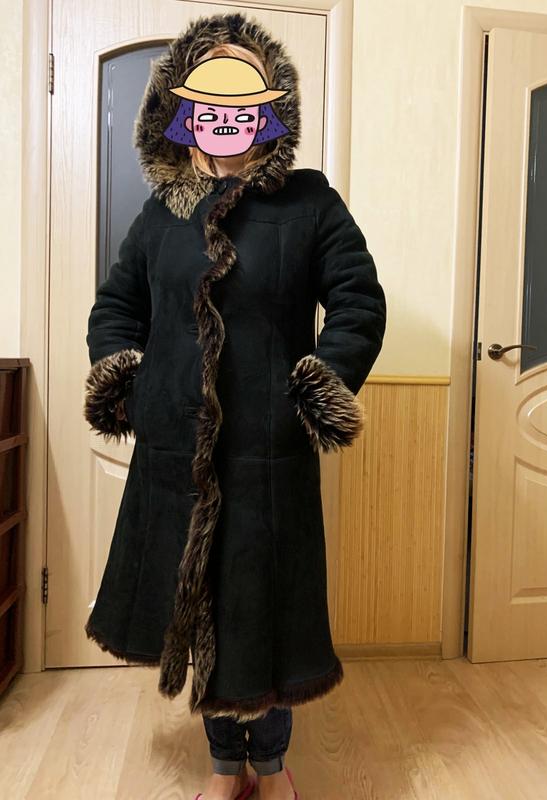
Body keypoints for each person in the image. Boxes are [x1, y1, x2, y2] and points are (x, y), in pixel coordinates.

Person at [82, 12, 386, 800]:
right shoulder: (162, 214)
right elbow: (116, 307)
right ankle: (225, 769)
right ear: (181, 114)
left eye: (241, 102)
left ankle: (272, 767)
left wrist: (316, 388)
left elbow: (357, 303)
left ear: (268, 110)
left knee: (266, 618)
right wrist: (132, 382)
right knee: (200, 614)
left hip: (266, 455)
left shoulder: (311, 205)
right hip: (175, 454)